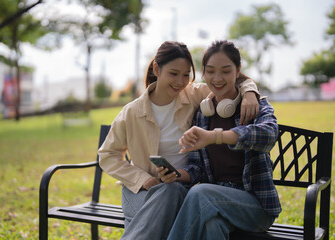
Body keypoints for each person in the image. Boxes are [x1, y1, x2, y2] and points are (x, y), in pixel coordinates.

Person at [98, 41, 260, 240]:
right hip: (142, 193)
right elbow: (108, 155)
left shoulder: (193, 95)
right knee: (165, 198)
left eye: (186, 75)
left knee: (172, 190)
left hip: (182, 190)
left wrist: (250, 92)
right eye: (173, 74)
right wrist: (144, 180)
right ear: (156, 69)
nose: (180, 82)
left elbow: (228, 82)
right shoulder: (132, 112)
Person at [163, 40, 282, 240]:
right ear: (203, 73)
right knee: (212, 225)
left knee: (200, 193)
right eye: (210, 71)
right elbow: (197, 168)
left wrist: (214, 137)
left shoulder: (257, 107)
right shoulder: (203, 114)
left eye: (226, 71)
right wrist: (175, 175)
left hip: (256, 207)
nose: (217, 78)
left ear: (238, 71)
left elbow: (268, 135)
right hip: (216, 203)